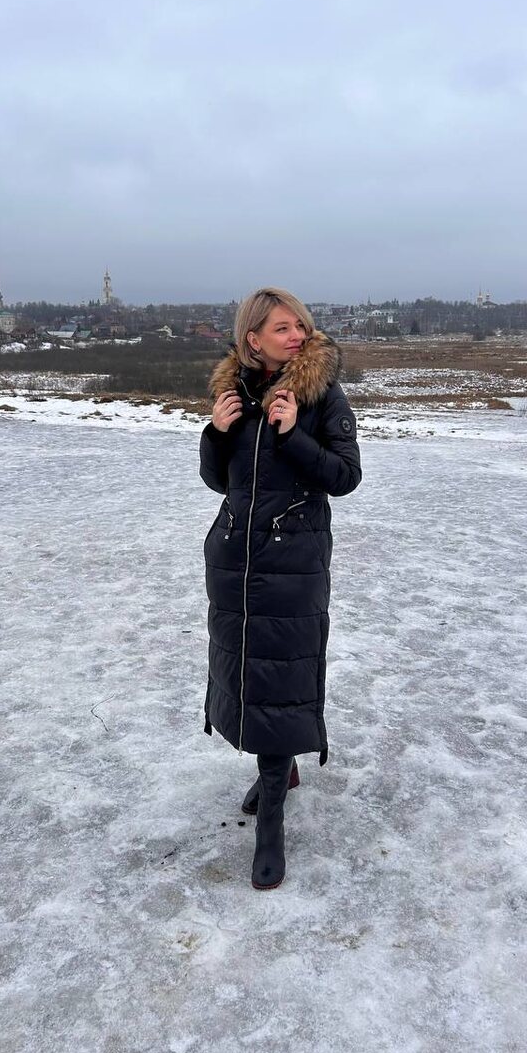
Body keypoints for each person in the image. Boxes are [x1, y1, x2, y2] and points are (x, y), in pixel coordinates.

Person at [199, 288, 362, 890]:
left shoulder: (321, 395)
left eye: (301, 326)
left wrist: (294, 434)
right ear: (253, 339)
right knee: (244, 670)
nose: (297, 336)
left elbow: (345, 476)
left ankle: (271, 820)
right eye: (282, 328)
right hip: (236, 558)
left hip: (293, 560)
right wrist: (216, 434)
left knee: (279, 674)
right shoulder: (236, 392)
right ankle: (281, 767)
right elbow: (220, 481)